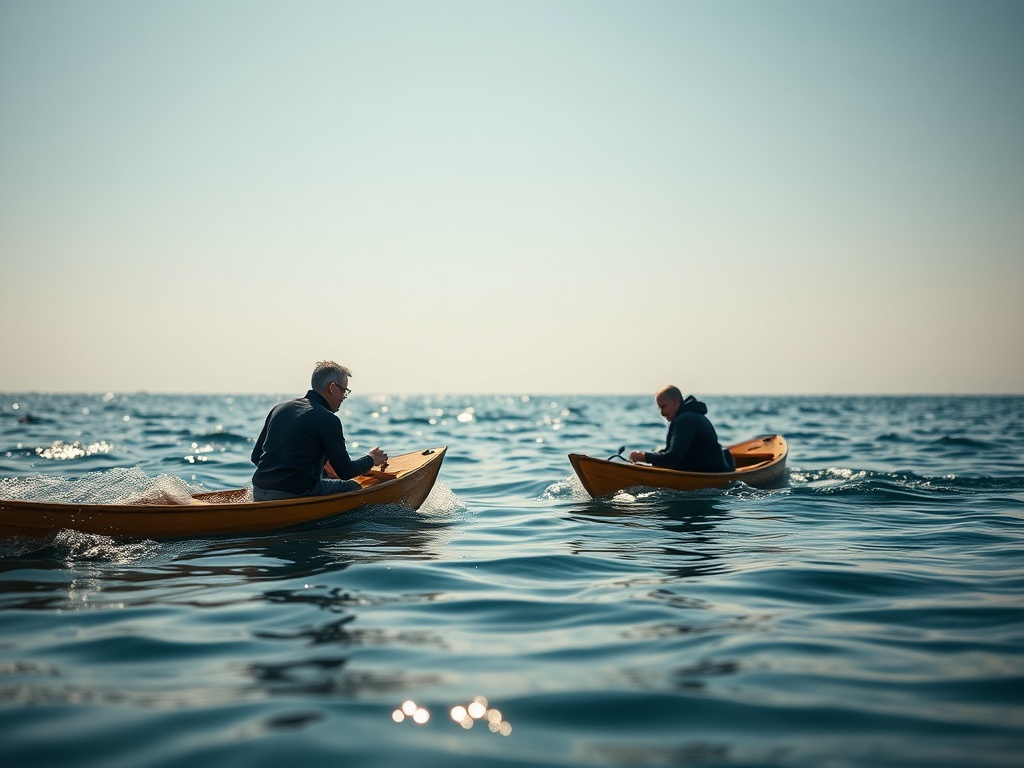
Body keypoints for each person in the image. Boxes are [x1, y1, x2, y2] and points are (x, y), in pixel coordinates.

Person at [251, 361, 387, 501]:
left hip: (259, 490)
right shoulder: (328, 419)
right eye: (344, 391)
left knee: (323, 475)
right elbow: (346, 472)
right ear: (332, 387)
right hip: (291, 494)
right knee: (354, 487)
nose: (343, 398)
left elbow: (256, 456)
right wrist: (372, 459)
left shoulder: (280, 408)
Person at [628, 386, 735, 473]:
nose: (662, 413)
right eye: (659, 408)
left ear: (675, 403)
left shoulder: (685, 420)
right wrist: (652, 456)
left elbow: (673, 458)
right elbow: (672, 453)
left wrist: (645, 457)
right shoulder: (690, 416)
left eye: (663, 407)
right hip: (713, 470)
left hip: (712, 475)